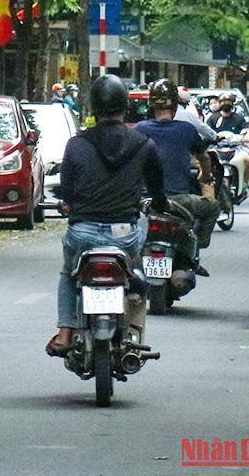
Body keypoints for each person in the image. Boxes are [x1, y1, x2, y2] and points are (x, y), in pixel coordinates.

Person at [46, 75, 164, 357]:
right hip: (125, 237)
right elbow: (158, 189)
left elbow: (68, 189)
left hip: (83, 235)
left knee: (68, 274)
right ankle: (133, 331)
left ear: (93, 107)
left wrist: (71, 206)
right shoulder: (143, 144)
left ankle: (65, 332)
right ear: (125, 105)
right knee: (135, 277)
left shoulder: (76, 144)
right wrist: (160, 203)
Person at [135, 78, 220, 256]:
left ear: (152, 107)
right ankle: (194, 249)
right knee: (213, 207)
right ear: (175, 107)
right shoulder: (187, 129)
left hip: (144, 203)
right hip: (179, 202)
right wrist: (205, 176)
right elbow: (204, 158)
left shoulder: (139, 129)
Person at [205, 91, 249, 197]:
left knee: (248, 160)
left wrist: (246, 138)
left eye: (228, 101)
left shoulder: (238, 118)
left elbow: (246, 131)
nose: (226, 104)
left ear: (232, 104)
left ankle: (245, 184)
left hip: (236, 148)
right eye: (223, 101)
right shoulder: (213, 118)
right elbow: (206, 131)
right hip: (216, 148)